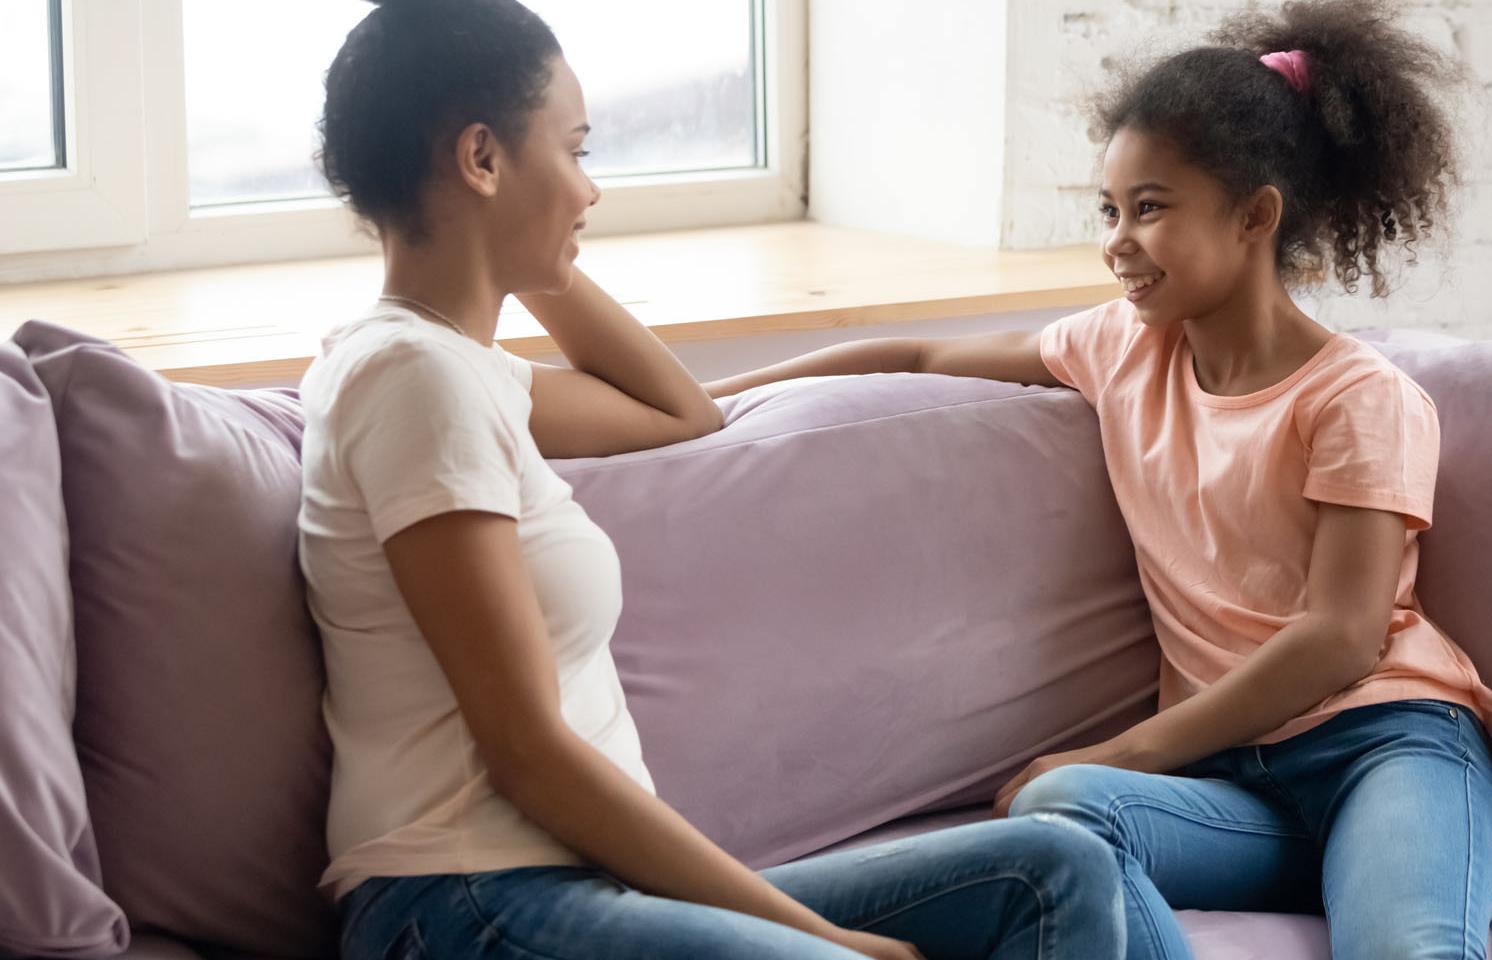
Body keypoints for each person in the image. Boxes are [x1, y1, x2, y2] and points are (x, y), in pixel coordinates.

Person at [298, 2, 1127, 957]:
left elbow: (680, 415)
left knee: (1051, 872)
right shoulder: (413, 380)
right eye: (574, 152)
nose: (590, 191)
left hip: (573, 889)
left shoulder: (459, 370)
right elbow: (526, 756)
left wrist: (522, 252)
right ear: (480, 159)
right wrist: (827, 941)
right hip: (466, 903)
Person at [704, 3, 1492, 958]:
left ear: (1256, 215)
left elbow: (1339, 639)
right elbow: (918, 353)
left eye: (1152, 207)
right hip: (1234, 787)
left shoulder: (1358, 399)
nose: (1117, 241)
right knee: (1060, 808)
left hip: (1386, 746)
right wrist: (709, 401)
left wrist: (1122, 750)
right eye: (1111, 210)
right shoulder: (1120, 348)